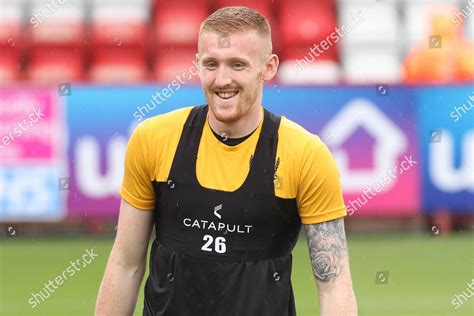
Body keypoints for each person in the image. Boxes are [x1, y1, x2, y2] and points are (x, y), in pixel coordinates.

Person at [95, 6, 357, 316]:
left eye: (237, 65)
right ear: (197, 65)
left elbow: (333, 284)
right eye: (211, 64)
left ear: (269, 67)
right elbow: (125, 264)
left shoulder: (306, 155)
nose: (222, 80)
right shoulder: (153, 139)